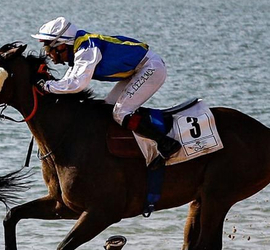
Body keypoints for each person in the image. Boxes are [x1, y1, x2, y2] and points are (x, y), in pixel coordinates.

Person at [33, 17, 179, 163]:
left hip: (150, 68)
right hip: (138, 70)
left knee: (121, 113)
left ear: (61, 45)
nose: (46, 53)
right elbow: (67, 84)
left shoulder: (87, 50)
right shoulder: (78, 50)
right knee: (107, 109)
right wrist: (49, 85)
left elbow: (77, 84)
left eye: (47, 48)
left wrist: (45, 85)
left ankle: (166, 143)